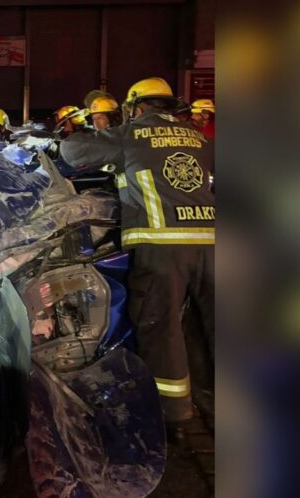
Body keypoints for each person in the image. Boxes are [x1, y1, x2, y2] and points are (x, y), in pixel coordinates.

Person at [60, 77, 214, 433]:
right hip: (213, 245)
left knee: (161, 327)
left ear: (137, 107)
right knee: (209, 326)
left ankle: (171, 414)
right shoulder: (198, 137)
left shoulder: (132, 134)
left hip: (162, 248)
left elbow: (73, 151)